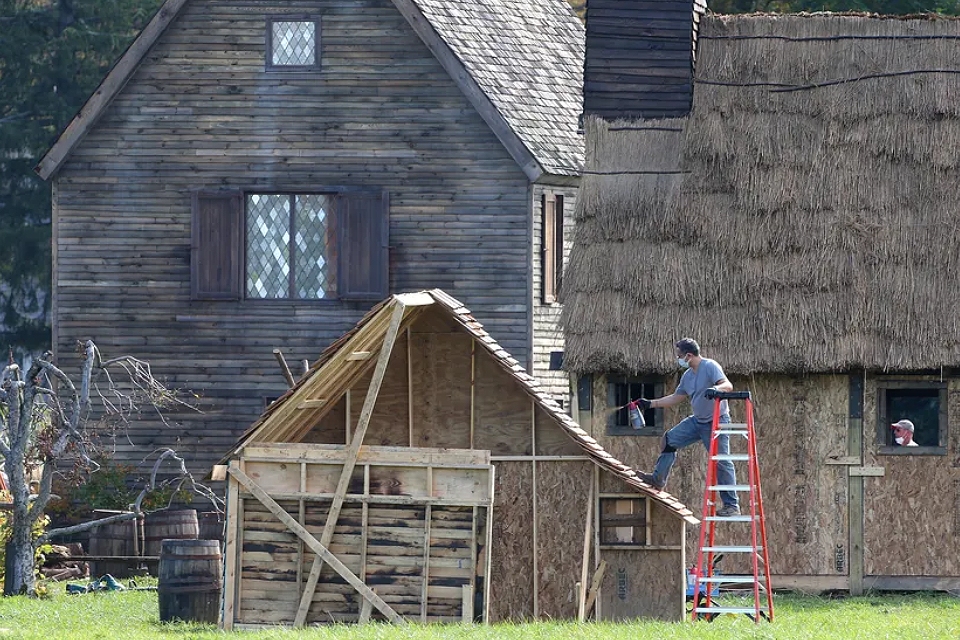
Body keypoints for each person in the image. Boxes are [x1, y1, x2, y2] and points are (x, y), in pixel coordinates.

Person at [635, 338, 740, 517]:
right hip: (697, 422)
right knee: (669, 440)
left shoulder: (710, 366)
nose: (678, 359)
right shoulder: (688, 376)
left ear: (689, 355)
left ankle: (731, 505)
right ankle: (658, 480)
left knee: (721, 461)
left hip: (716, 421)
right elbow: (676, 397)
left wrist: (716, 389)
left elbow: (727, 385)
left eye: (679, 356)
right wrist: (651, 404)